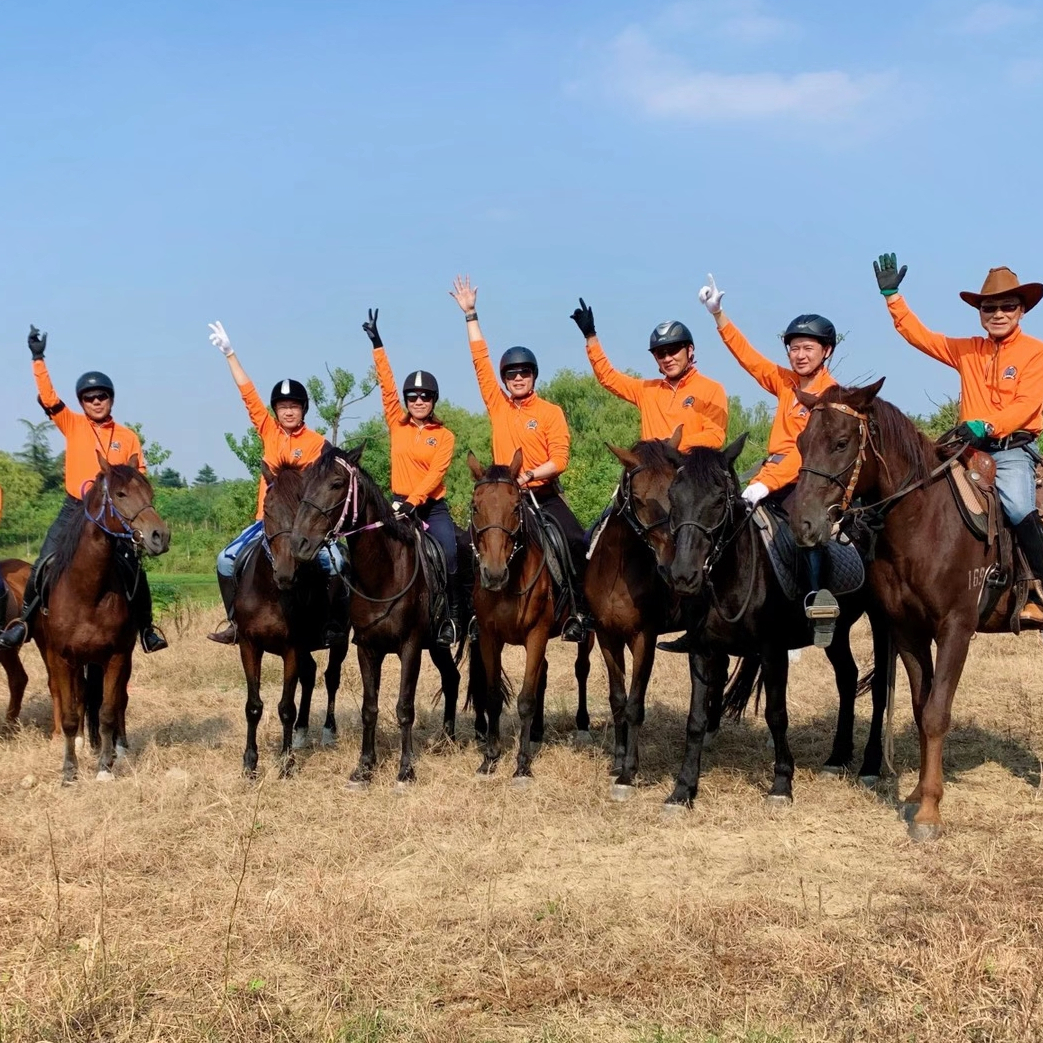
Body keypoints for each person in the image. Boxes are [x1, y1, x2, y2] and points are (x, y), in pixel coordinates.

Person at [660, 274, 843, 651]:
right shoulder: (785, 382)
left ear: (826, 351)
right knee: (719, 523)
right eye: (793, 347)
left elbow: (808, 454)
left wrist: (768, 482)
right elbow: (748, 357)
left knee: (806, 530)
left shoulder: (832, 395)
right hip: (767, 471)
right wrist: (719, 316)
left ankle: (817, 603)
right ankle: (702, 619)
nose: (799, 354)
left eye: (808, 347)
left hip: (807, 479)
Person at [875, 254, 1043, 625]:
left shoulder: (1035, 353)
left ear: (1021, 310)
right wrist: (893, 297)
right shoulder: (967, 349)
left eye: (1007, 306)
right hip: (966, 449)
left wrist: (987, 425)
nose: (998, 314)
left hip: (1011, 450)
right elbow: (921, 337)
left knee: (1016, 505)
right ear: (980, 313)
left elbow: (1028, 402)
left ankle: (1036, 587)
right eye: (989, 307)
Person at [0, 326, 167, 652]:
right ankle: (23, 621)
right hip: (75, 509)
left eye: (101, 396)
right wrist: (38, 358)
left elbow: (138, 477)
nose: (95, 401)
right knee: (42, 564)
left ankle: (146, 629)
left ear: (111, 399)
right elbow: (49, 398)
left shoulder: (128, 436)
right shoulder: (73, 424)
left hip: (115, 515)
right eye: (89, 398)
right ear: (82, 403)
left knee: (134, 571)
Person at [449, 275, 590, 641]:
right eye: (511, 374)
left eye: (524, 373)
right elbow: (480, 362)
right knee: (466, 544)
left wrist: (528, 476)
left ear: (533, 376)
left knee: (576, 540)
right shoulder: (497, 406)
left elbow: (561, 459)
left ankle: (577, 612)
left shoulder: (550, 411)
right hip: (504, 499)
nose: (517, 378)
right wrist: (470, 315)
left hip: (542, 496)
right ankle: (470, 615)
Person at [206, 321, 341, 645]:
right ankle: (235, 623)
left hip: (304, 526)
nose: (288, 411)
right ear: (276, 411)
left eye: (294, 406)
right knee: (225, 560)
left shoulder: (318, 443)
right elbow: (248, 394)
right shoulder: (267, 430)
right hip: (265, 523)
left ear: (303, 409)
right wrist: (230, 353)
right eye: (283, 407)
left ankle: (332, 625)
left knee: (337, 562)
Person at [361, 308, 459, 645]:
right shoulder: (396, 423)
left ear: (433, 401)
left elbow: (435, 474)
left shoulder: (444, 436)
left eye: (425, 397)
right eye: (413, 397)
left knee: (450, 550)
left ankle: (451, 618)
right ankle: (360, 616)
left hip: (431, 508)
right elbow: (386, 387)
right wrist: (378, 344)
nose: (418, 401)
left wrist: (414, 502)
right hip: (397, 505)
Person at [572, 297, 728, 450]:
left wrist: (672, 445)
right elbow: (608, 377)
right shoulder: (646, 390)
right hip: (653, 471)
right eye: (660, 354)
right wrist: (590, 336)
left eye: (673, 351)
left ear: (690, 350)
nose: (667, 358)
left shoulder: (712, 389)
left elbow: (714, 437)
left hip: (691, 469)